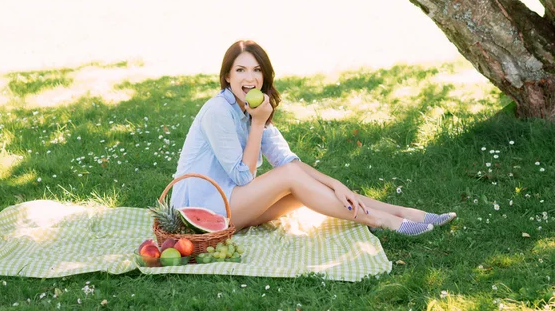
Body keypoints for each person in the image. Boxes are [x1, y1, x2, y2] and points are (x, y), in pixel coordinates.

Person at [170, 40, 456, 236]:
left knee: (302, 188)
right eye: (241, 70)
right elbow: (244, 177)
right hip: (201, 211)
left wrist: (336, 184)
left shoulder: (254, 108)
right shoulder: (219, 112)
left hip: (233, 206)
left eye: (257, 70)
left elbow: (288, 161)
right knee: (290, 179)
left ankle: (406, 213)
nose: (250, 77)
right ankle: (381, 221)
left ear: (264, 76)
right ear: (227, 77)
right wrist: (258, 124)